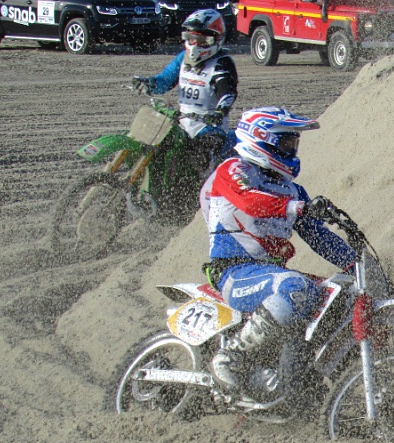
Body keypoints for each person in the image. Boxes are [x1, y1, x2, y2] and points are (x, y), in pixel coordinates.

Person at [199, 106, 356, 391]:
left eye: (293, 142)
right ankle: (231, 357)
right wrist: (295, 207)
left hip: (268, 273)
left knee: (335, 293)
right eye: (285, 142)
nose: (291, 148)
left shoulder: (292, 189)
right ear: (262, 139)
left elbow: (319, 237)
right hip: (234, 272)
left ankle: (296, 379)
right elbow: (250, 202)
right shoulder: (233, 169)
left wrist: (356, 266)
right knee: (296, 287)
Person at [132, 9, 237, 172]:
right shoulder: (183, 58)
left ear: (215, 39)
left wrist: (220, 112)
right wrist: (149, 83)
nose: (195, 45)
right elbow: (165, 80)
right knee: (158, 150)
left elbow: (228, 93)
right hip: (181, 122)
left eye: (201, 40)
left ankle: (203, 194)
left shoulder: (221, 63)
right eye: (191, 38)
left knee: (198, 159)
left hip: (209, 127)